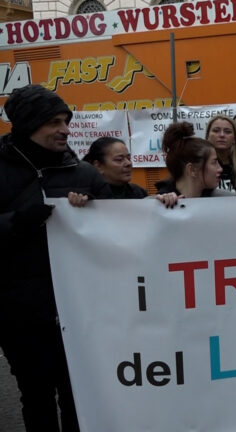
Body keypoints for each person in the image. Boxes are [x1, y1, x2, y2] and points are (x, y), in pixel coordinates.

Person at [0, 84, 111, 431]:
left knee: (78, 394)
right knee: (36, 397)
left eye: (66, 120)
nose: (65, 129)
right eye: (54, 122)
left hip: (79, 313)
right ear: (28, 124)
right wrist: (16, 222)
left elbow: (120, 228)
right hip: (19, 313)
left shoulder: (84, 174)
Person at [155, 122, 234, 208]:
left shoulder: (224, 199)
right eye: (214, 162)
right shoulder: (157, 202)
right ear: (192, 170)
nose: (220, 169)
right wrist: (163, 207)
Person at [82, 137, 147, 199]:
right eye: (119, 159)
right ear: (98, 166)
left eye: (128, 158)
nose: (128, 163)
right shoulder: (86, 196)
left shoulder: (139, 193)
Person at [206, 115, 236, 194]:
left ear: (234, 139)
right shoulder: (199, 166)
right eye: (216, 130)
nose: (222, 135)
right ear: (208, 136)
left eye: (227, 131)